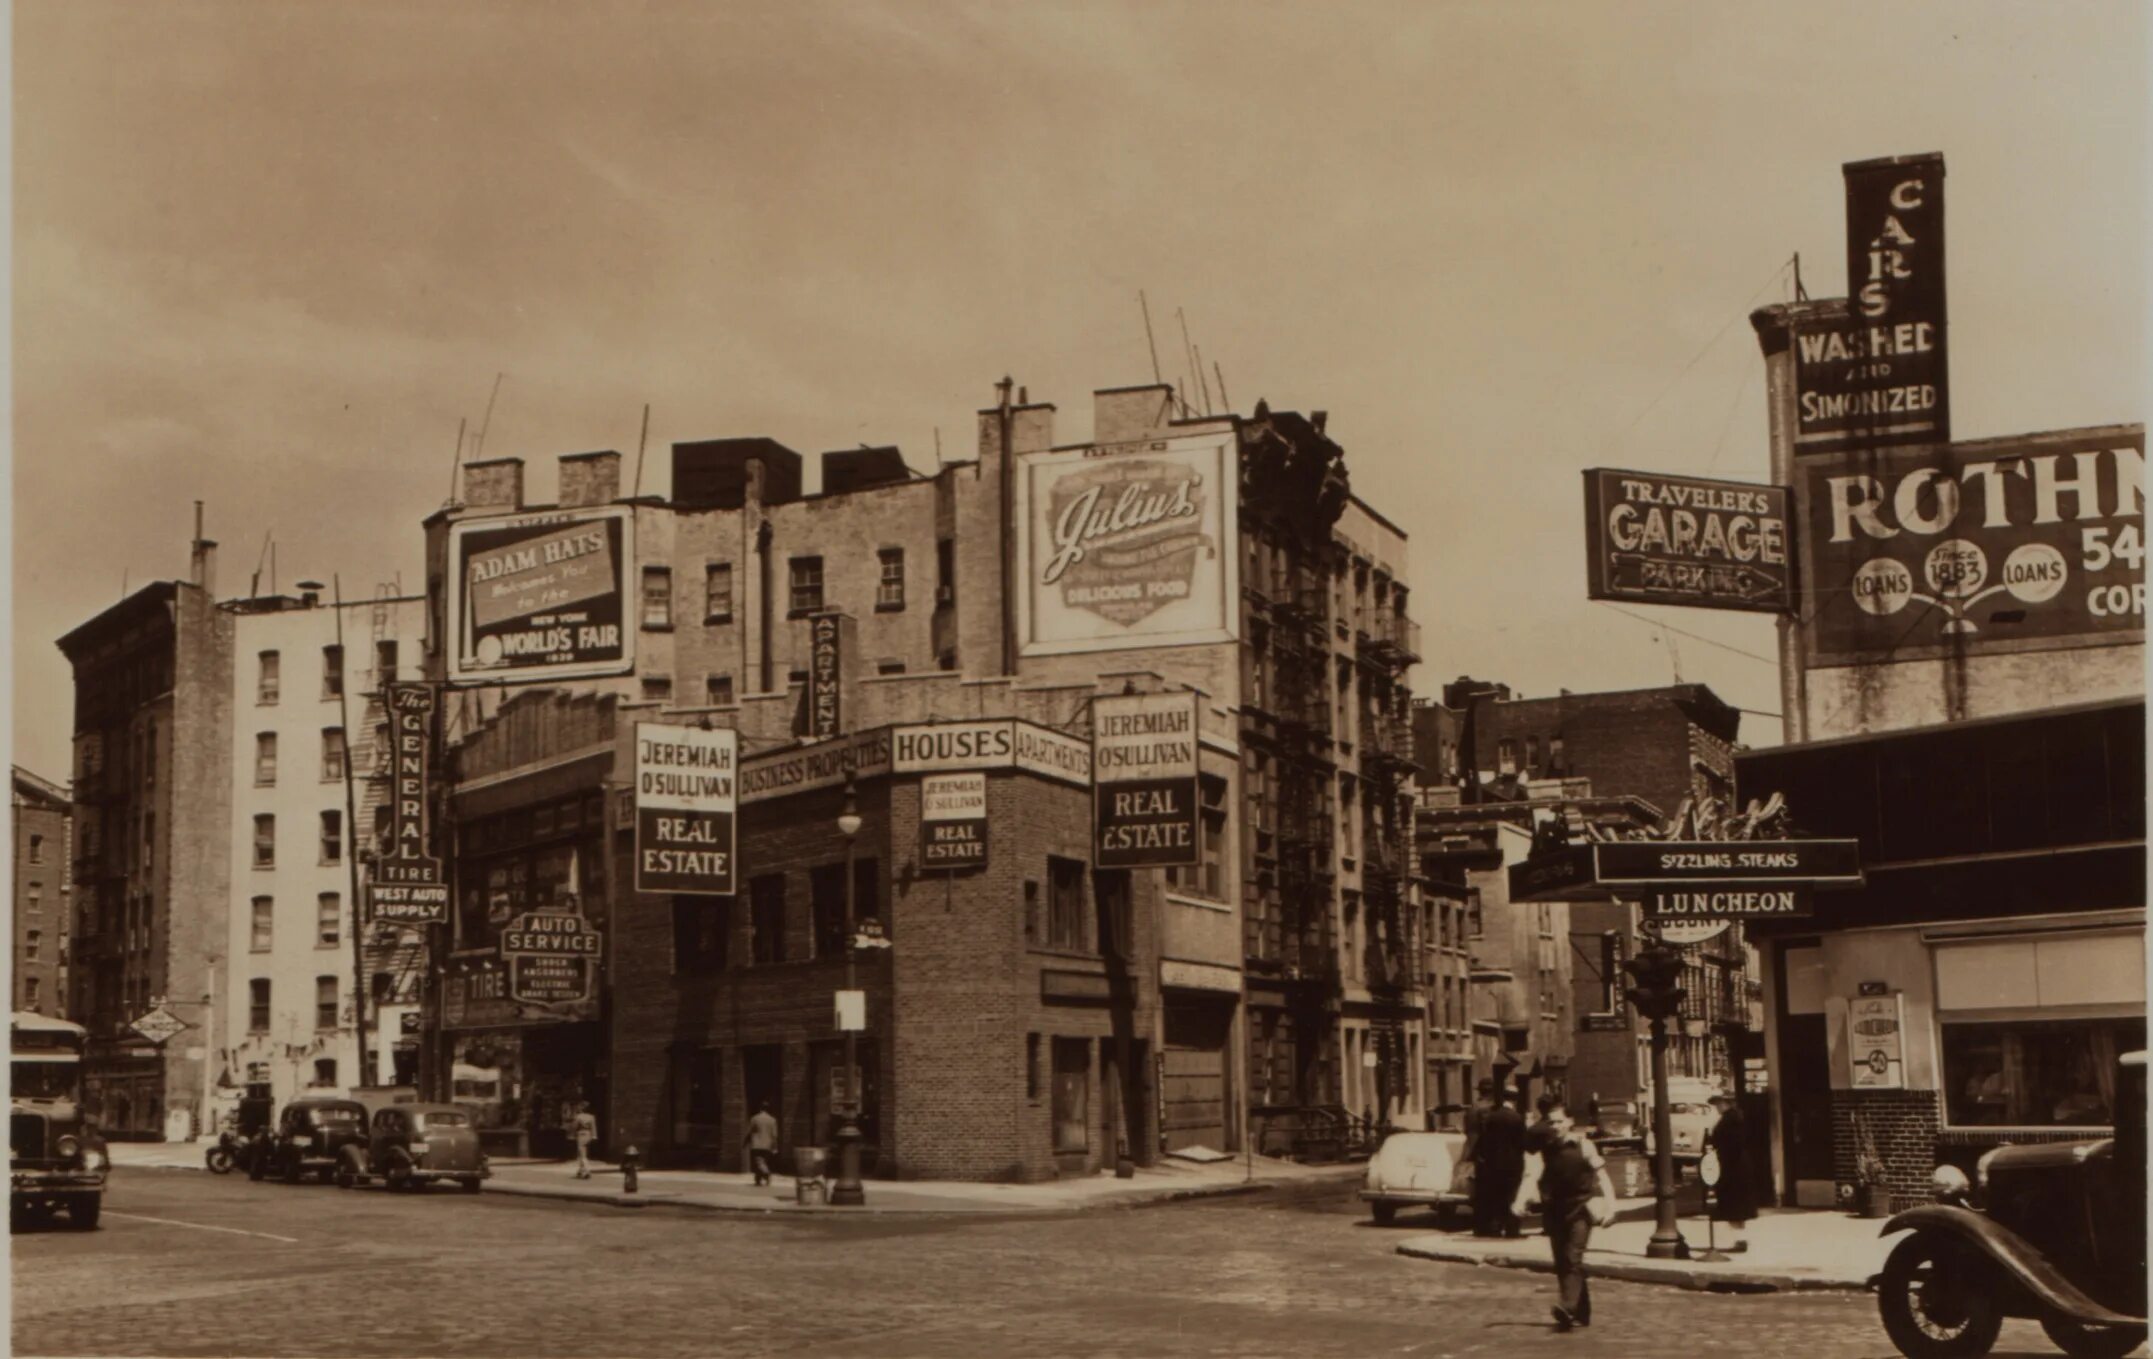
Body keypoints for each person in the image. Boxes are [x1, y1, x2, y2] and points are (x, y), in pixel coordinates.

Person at [1533, 1092, 1616, 1332]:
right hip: (1555, 1210)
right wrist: (1523, 1198)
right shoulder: (1547, 1149)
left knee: (1572, 1257)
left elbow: (1602, 1176)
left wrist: (1612, 1206)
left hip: (1581, 1209)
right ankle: (1581, 1312)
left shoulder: (1584, 1145)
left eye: (1559, 1121)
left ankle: (1567, 1308)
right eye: (1551, 1122)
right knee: (1563, 1262)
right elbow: (1535, 1175)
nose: (1555, 1126)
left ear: (1569, 1122)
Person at [1471, 1082, 1527, 1239]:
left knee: (1496, 1196)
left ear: (1503, 1097)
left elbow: (1484, 1141)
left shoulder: (1492, 1117)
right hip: (1513, 1165)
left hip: (1493, 1164)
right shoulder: (1517, 1119)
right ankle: (1511, 1229)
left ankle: (1495, 1227)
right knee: (1512, 1196)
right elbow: (1523, 1143)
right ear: (1515, 1099)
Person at [1706, 1093, 1756, 1252]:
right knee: (1736, 1207)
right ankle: (1741, 1238)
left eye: (1719, 1104)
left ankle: (1740, 1240)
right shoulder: (1733, 1118)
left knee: (1733, 1206)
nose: (1717, 1107)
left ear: (1727, 1103)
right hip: (1736, 1167)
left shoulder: (1731, 1120)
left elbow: (1731, 1144)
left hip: (1733, 1168)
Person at [745, 1101, 779, 1186]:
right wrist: (775, 1146)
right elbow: (774, 1135)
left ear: (760, 1108)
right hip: (768, 1145)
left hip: (757, 1144)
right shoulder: (772, 1120)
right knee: (762, 1161)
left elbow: (749, 1131)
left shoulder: (754, 1118)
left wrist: (746, 1142)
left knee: (759, 1162)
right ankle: (758, 1179)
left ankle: (766, 1173)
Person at [570, 1101, 598, 1180]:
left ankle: (587, 1170)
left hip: (581, 1135)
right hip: (589, 1135)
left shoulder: (578, 1117)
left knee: (582, 1155)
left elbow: (574, 1127)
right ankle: (580, 1171)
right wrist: (594, 1136)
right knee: (585, 1153)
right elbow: (593, 1127)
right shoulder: (591, 1117)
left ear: (582, 1108)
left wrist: (572, 1135)